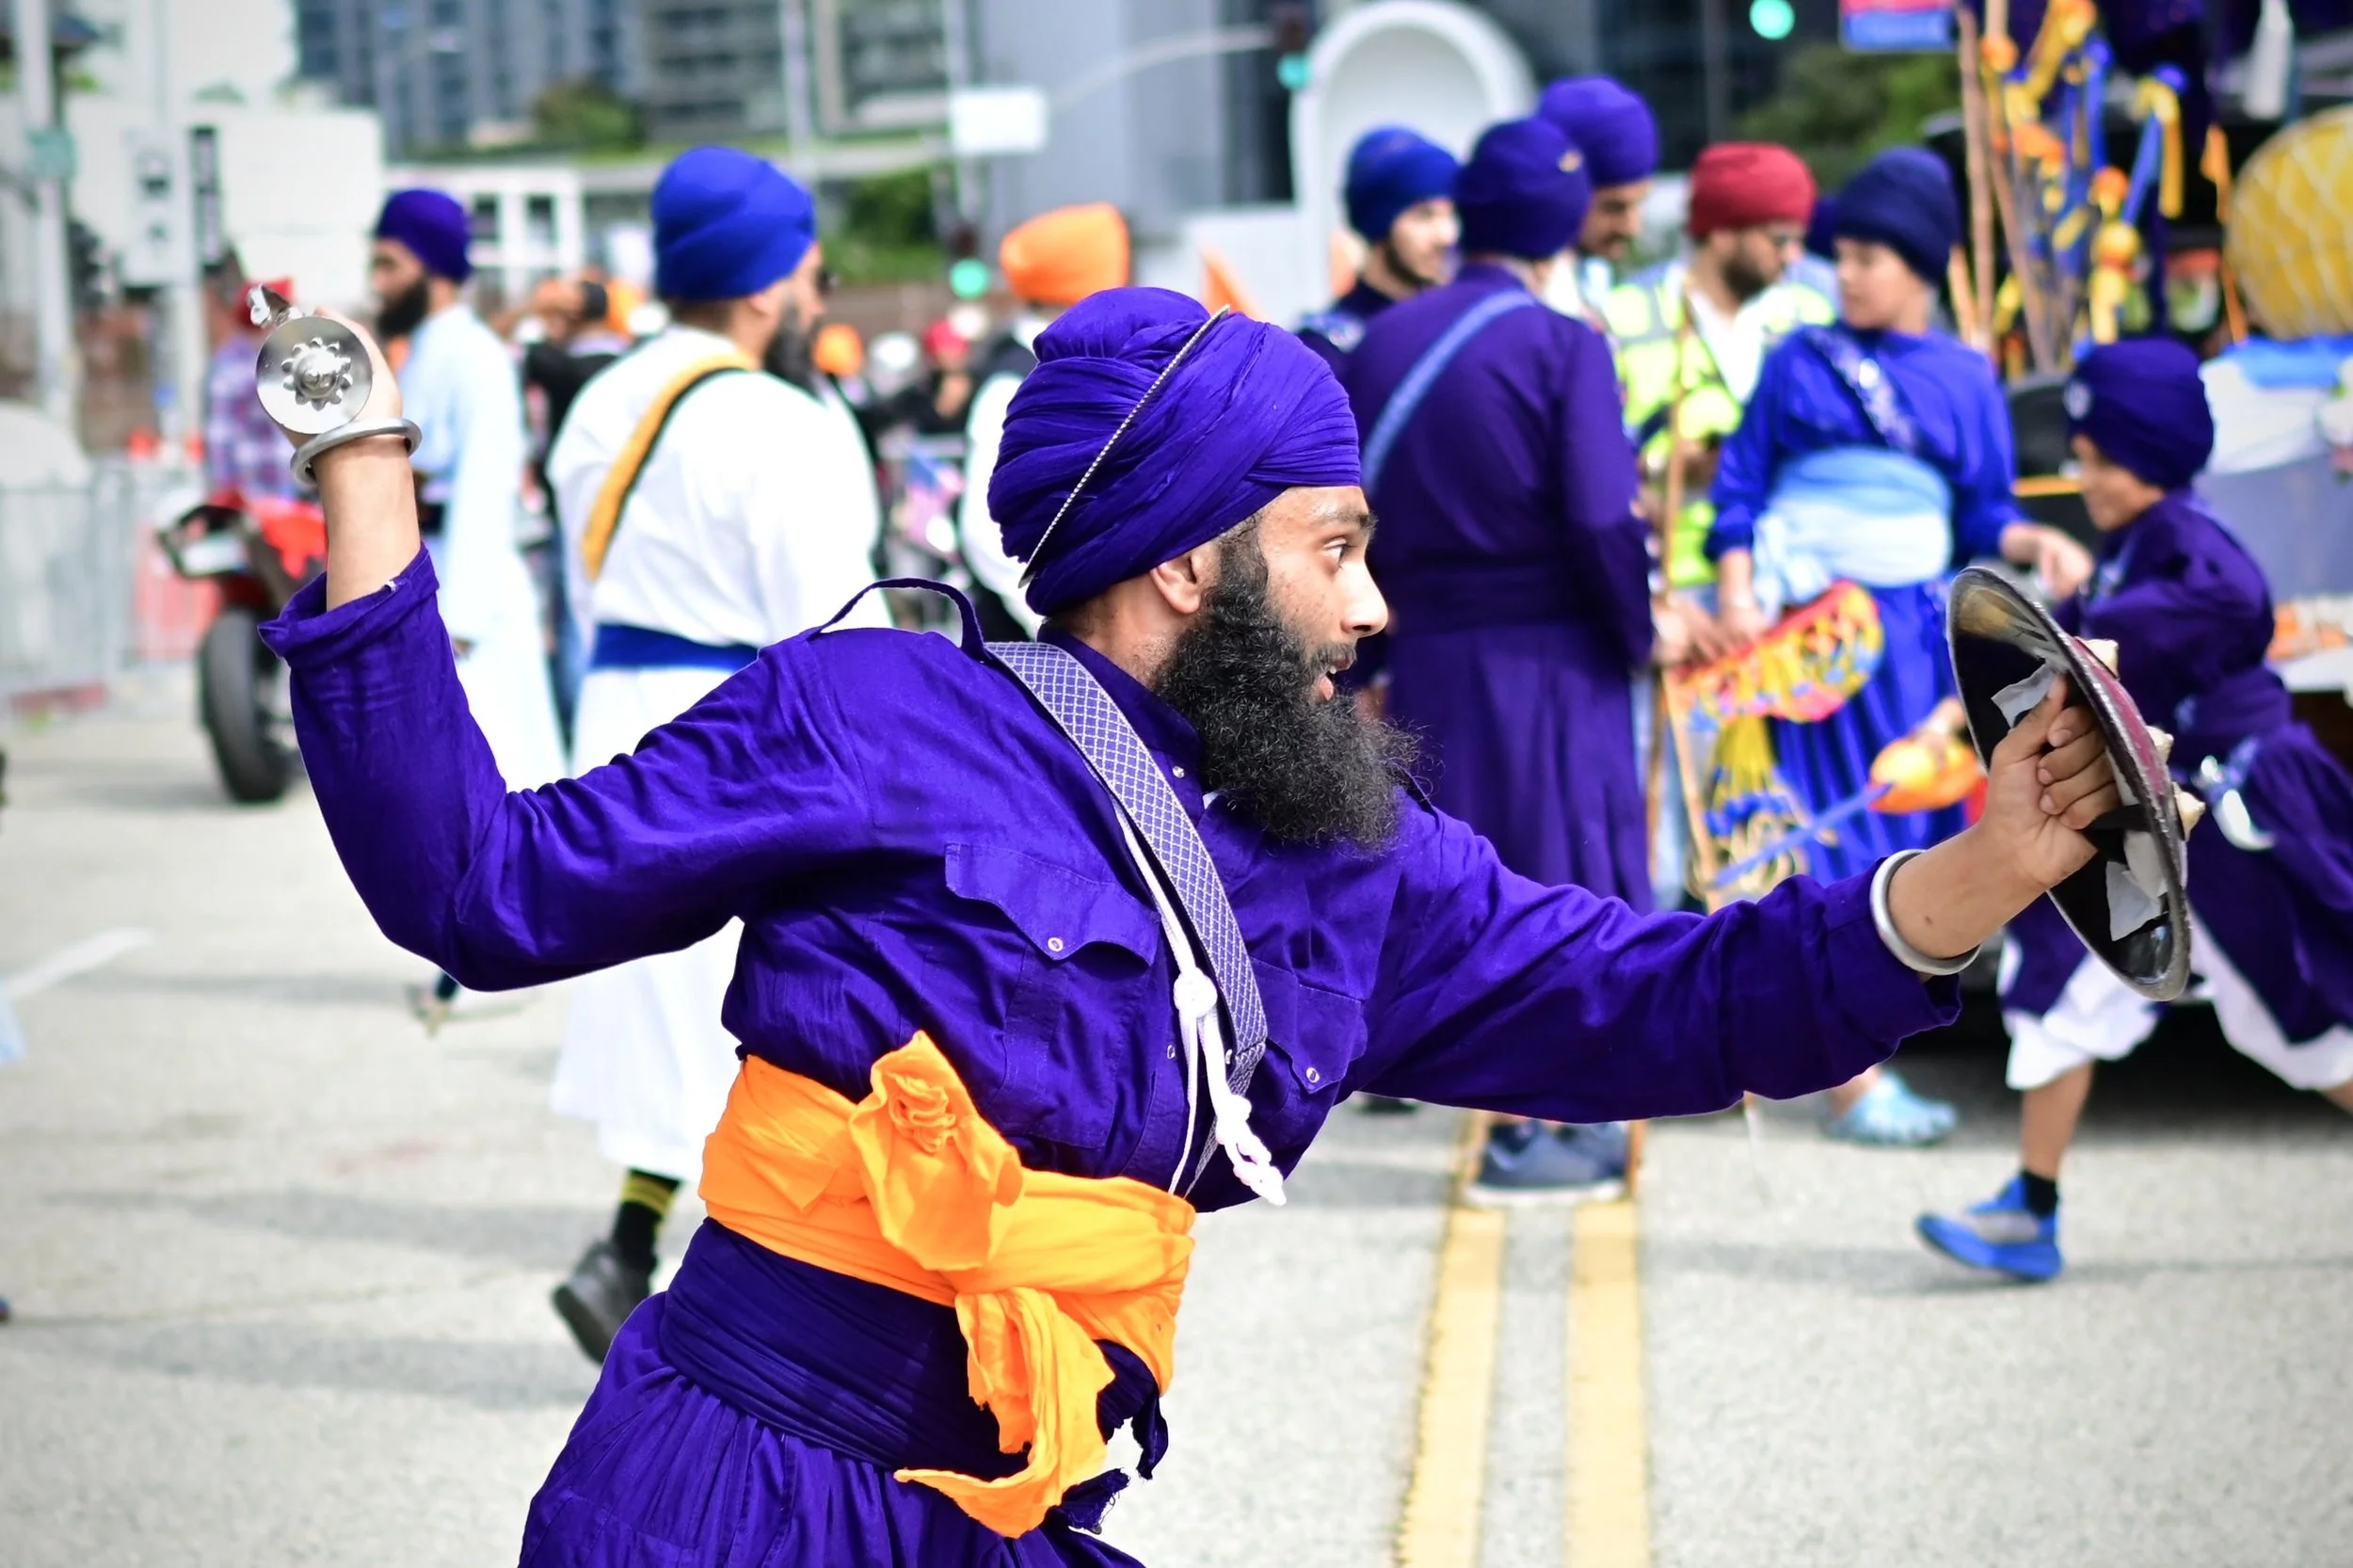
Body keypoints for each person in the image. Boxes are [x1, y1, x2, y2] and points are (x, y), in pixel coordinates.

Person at [256, 278, 2121, 1567]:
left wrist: (1984, 865)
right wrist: (362, 468)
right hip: (727, 1482)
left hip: (1007, 1503)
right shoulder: (877, 712)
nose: (1371, 605)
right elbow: (476, 886)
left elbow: (1667, 1000)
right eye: (1334, 544)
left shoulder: (1348, 854)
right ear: (1180, 559)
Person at [540, 146, 884, 1359]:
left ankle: (627, 1246)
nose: (816, 297)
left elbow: (581, 592)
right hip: (743, 728)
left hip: (617, 716)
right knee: (781, 1013)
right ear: (765, 284)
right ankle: (738, 1308)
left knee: (660, 1008)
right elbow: (841, 624)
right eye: (808, 271)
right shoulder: (773, 420)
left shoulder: (597, 404)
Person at [1918, 340, 2353, 1282]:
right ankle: (2030, 1208)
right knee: (2065, 995)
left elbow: (2226, 606)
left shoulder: (2198, 554)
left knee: (2310, 1033)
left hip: (2234, 815)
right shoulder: (2133, 551)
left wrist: (2090, 643)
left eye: (2098, 458)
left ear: (2149, 458)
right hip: (2167, 818)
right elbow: (2060, 641)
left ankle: (2030, 1211)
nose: (2083, 474)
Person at [1705, 149, 2092, 1143]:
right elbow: (1739, 487)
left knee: (1894, 834)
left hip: (1914, 641)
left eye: (1869, 255)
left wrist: (2034, 537)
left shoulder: (1966, 376)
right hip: (1809, 640)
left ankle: (1844, 1049)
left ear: (1920, 265)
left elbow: (1984, 513)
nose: (1847, 272)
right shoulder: (1799, 360)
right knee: (1813, 831)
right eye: (1843, 256)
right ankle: (1848, 1077)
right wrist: (1741, 589)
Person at [1345, 119, 1658, 1202]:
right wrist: (1640, 631)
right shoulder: (1563, 342)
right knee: (1570, 879)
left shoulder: (1381, 339)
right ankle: (1565, 1125)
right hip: (1552, 656)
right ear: (1561, 229)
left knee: (1467, 885)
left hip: (1428, 651)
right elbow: (1601, 519)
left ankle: (1503, 1115)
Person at [370, 188, 568, 1031]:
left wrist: (464, 616)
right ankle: (476, 958)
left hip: (471, 592)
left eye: (390, 263)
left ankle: (499, 963)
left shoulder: (474, 355)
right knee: (453, 789)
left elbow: (483, 488)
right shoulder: (430, 352)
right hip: (444, 575)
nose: (377, 280)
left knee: (493, 783)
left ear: (435, 267)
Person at [1603, 143, 1832, 610]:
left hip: (1794, 588)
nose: (1794, 256)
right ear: (1724, 233)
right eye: (1779, 239)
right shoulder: (1622, 316)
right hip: (1672, 592)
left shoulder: (1812, 318)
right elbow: (1591, 469)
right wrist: (1664, 470)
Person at [958, 202, 1130, 638]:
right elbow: (985, 530)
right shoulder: (1012, 383)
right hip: (1032, 644)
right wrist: (1056, 620)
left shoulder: (1062, 363)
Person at [520, 275, 634, 739]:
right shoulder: (628, 361)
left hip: (572, 509)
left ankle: (579, 729)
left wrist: (543, 314)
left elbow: (525, 348)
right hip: (622, 505)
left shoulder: (556, 364)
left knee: (571, 619)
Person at [1297, 126, 1460, 371]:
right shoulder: (1327, 350)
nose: (1447, 236)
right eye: (1424, 216)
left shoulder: (1458, 326)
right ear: (1379, 227)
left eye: (1452, 214)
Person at [1534, 76, 1658, 328]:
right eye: (1614, 207)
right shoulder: (1519, 299)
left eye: (1640, 204)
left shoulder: (1593, 273)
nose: (1632, 227)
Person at [200, 252, 307, 505]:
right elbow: (221, 437)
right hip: (255, 499)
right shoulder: (234, 366)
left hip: (292, 495)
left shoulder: (289, 354)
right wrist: (229, 499)